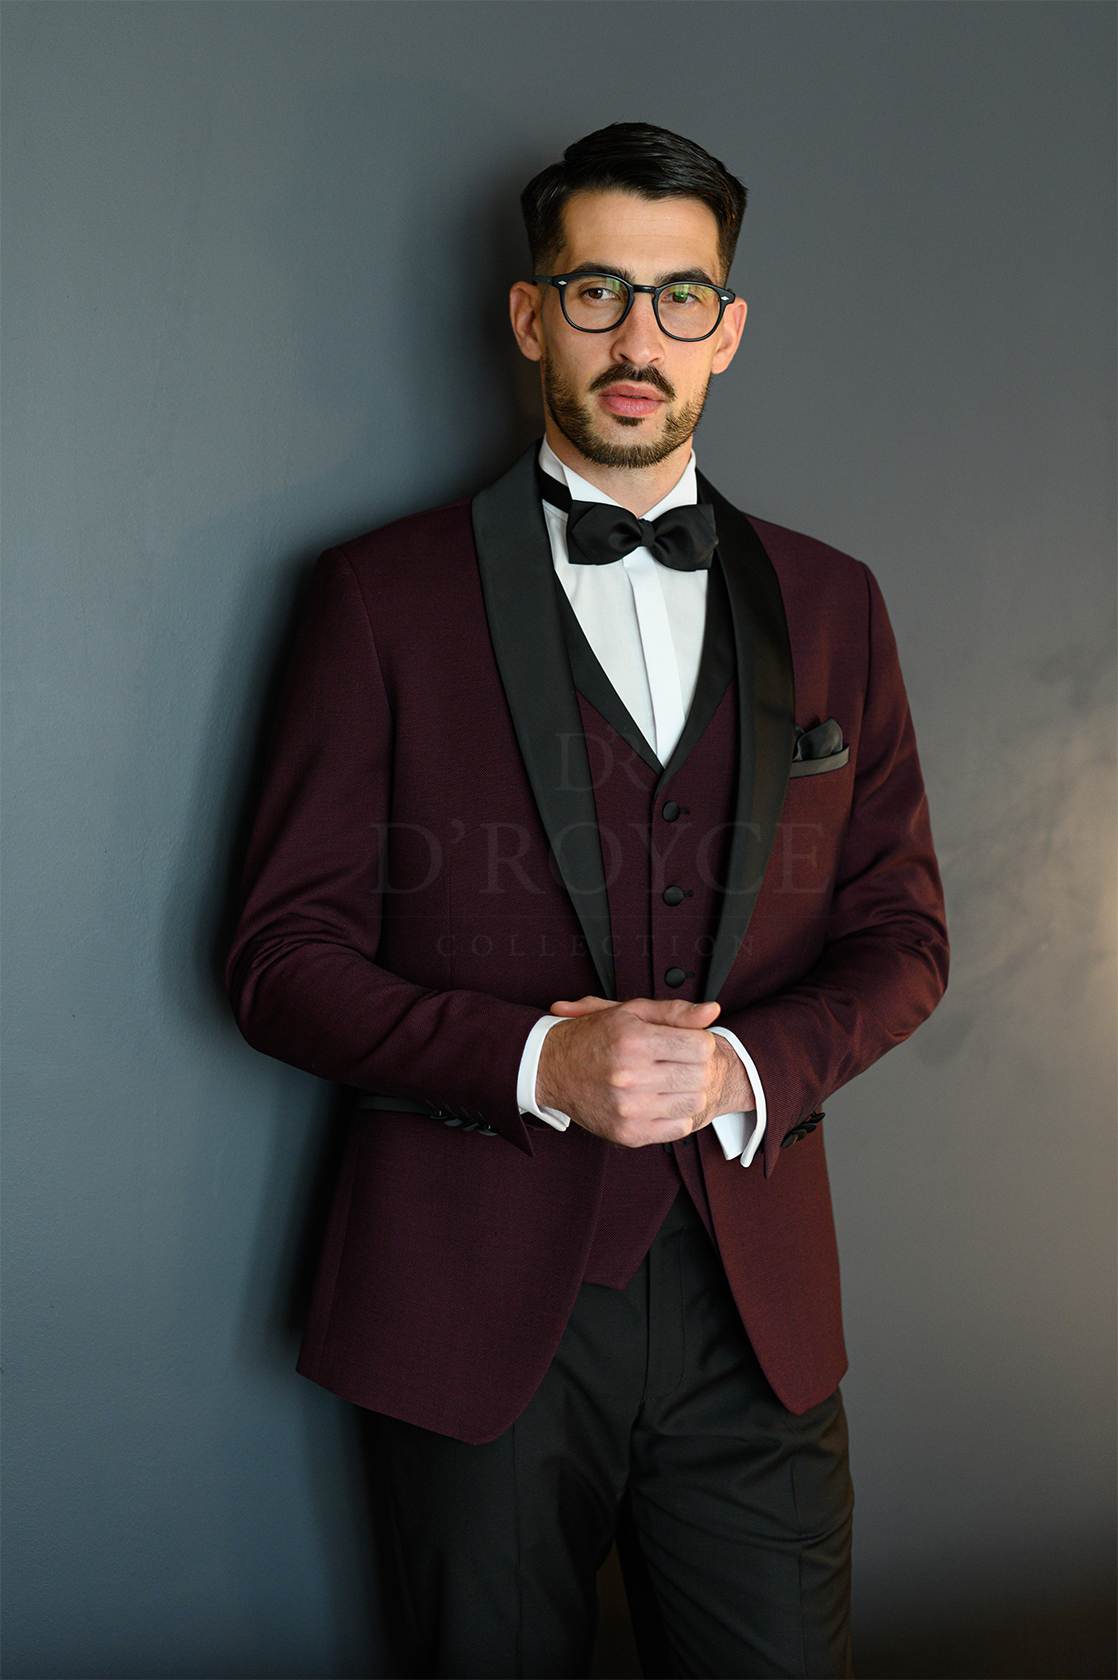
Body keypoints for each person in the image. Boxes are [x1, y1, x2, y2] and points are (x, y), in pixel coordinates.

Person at [227, 122, 948, 1679]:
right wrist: (536, 1060)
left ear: (727, 330)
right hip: (465, 1308)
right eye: (597, 291)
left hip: (756, 1316)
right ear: (528, 314)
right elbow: (277, 959)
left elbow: (903, 938)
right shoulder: (374, 596)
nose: (638, 339)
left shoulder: (834, 602)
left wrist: (746, 1068)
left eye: (680, 297)